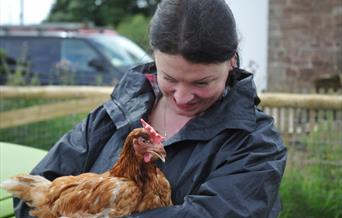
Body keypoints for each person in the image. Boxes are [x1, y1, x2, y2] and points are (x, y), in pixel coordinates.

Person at [15, 0, 287, 217]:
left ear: (231, 61)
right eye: (168, 78)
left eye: (201, 82)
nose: (182, 97)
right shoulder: (116, 113)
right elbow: (35, 191)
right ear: (154, 57)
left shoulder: (254, 144)